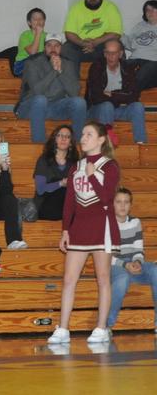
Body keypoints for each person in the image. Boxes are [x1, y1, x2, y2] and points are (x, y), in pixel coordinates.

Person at [48, 121, 120, 346]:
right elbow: (69, 202)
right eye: (82, 133)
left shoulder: (110, 166)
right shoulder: (75, 166)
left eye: (89, 134)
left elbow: (108, 198)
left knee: (103, 279)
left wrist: (91, 176)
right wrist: (65, 231)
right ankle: (63, 328)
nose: (83, 137)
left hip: (102, 227)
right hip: (79, 229)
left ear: (101, 140)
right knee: (69, 280)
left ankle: (101, 327)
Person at [15, 33, 87, 143]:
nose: (53, 49)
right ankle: (39, 146)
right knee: (40, 100)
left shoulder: (68, 64)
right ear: (44, 48)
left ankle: (78, 144)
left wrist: (61, 71)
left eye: (56, 46)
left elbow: (74, 92)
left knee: (79, 102)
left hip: (55, 107)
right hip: (30, 106)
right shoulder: (32, 62)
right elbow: (37, 91)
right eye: (49, 45)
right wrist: (54, 72)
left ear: (61, 48)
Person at [107, 187, 157, 330]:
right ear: (113, 204)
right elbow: (106, 256)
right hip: (115, 265)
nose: (123, 206)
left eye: (126, 202)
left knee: (155, 270)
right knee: (122, 279)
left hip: (133, 264)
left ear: (130, 205)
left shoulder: (135, 222)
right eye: (119, 202)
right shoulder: (107, 224)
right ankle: (107, 325)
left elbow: (138, 249)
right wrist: (125, 265)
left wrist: (137, 262)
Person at [86, 40, 148, 144]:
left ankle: (141, 142)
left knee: (138, 106)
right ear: (104, 53)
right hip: (97, 110)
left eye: (114, 53)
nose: (110, 56)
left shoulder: (128, 68)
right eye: (107, 53)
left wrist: (112, 94)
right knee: (107, 105)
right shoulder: (96, 67)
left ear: (120, 54)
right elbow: (96, 97)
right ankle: (105, 144)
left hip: (118, 109)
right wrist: (120, 96)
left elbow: (134, 96)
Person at [63, 0, 123, 65]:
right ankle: (73, 78)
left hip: (102, 44)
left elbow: (116, 34)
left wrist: (95, 42)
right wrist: (83, 43)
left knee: (115, 47)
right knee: (65, 50)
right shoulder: (75, 8)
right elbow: (69, 33)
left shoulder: (111, 7)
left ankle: (111, 78)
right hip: (80, 45)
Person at [33, 125, 78, 221]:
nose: (63, 138)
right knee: (61, 187)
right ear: (54, 139)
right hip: (45, 205)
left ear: (71, 143)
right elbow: (40, 190)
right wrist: (61, 183)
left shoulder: (75, 163)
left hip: (66, 206)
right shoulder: (44, 160)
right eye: (60, 135)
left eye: (67, 136)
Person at [123, 0, 157, 90]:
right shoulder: (140, 26)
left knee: (144, 72)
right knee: (117, 67)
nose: (150, 12)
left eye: (154, 9)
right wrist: (118, 34)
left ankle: (127, 93)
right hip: (135, 58)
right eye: (147, 10)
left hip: (153, 61)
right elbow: (130, 44)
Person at [14, 7, 47, 77]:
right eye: (35, 19)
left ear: (44, 21)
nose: (38, 21)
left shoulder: (47, 36)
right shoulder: (25, 35)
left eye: (41, 19)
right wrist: (38, 34)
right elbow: (33, 53)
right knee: (38, 61)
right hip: (22, 65)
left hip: (39, 65)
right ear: (29, 22)